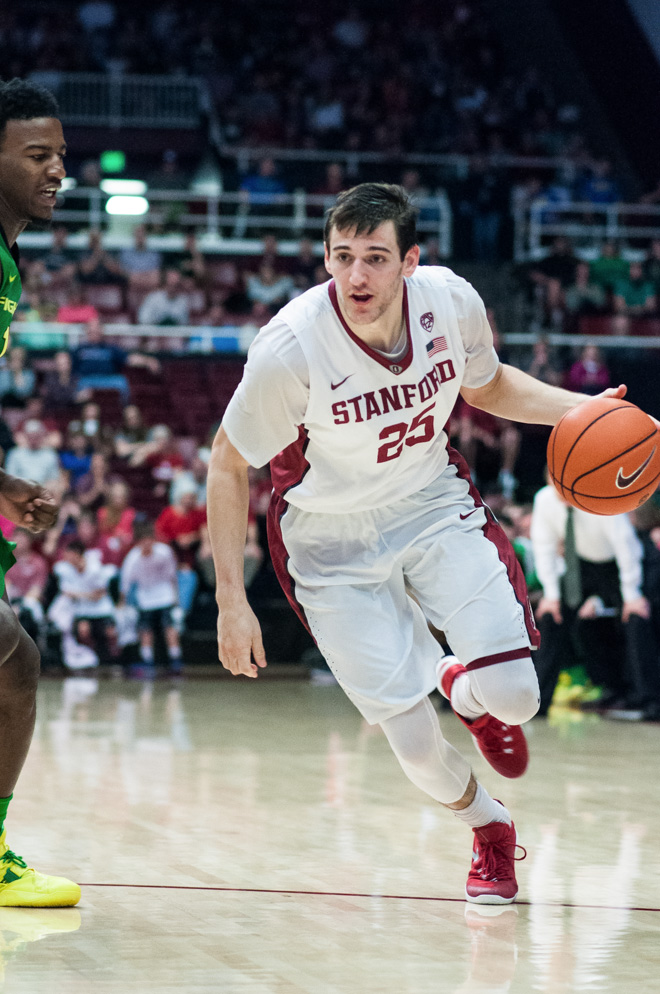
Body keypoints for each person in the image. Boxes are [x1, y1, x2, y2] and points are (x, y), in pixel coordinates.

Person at [207, 182, 629, 905]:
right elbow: (225, 462)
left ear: (411, 262)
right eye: (342, 258)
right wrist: (230, 600)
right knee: (411, 748)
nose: (356, 277)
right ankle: (489, 828)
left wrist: (581, 409)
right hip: (328, 541)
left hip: (431, 504)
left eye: (375, 257)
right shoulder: (290, 348)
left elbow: (489, 386)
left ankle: (463, 687)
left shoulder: (450, 300)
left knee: (519, 700)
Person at [0, 76, 80, 905]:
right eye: (36, 154)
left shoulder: (7, 257)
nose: (57, 169)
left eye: (60, 154)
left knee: (15, 662)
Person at [530, 480, 651, 715]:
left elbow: (625, 544)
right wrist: (551, 594)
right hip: (581, 566)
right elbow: (543, 547)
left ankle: (648, 701)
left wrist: (632, 594)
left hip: (621, 565)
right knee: (549, 616)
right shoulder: (544, 499)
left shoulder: (597, 496)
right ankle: (537, 703)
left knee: (637, 619)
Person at [120, 520, 183, 675]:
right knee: (145, 629)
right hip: (145, 599)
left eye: (150, 540)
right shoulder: (132, 559)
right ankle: (147, 660)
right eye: (144, 541)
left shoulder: (164, 552)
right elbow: (125, 583)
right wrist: (122, 603)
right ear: (139, 542)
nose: (147, 544)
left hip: (165, 596)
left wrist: (176, 598)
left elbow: (172, 576)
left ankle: (175, 659)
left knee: (169, 626)